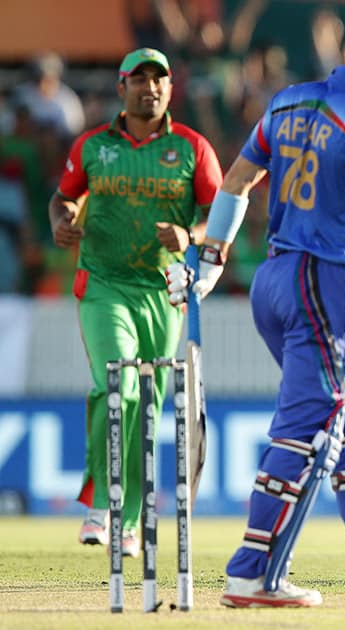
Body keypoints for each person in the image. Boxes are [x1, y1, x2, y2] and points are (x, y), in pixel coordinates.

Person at [176, 28, 345, 607]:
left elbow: (240, 179)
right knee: (314, 423)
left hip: (274, 281)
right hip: (325, 278)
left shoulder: (288, 98)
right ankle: (254, 572)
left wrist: (213, 257)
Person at [48, 48, 222, 557]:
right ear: (121, 88)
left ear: (171, 89)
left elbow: (221, 214)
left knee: (145, 403)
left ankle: (127, 521)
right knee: (116, 383)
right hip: (103, 284)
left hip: (165, 294)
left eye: (159, 80)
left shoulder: (192, 148)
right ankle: (103, 506)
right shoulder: (93, 146)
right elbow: (65, 195)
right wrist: (62, 218)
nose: (150, 87)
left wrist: (190, 235)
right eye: (139, 79)